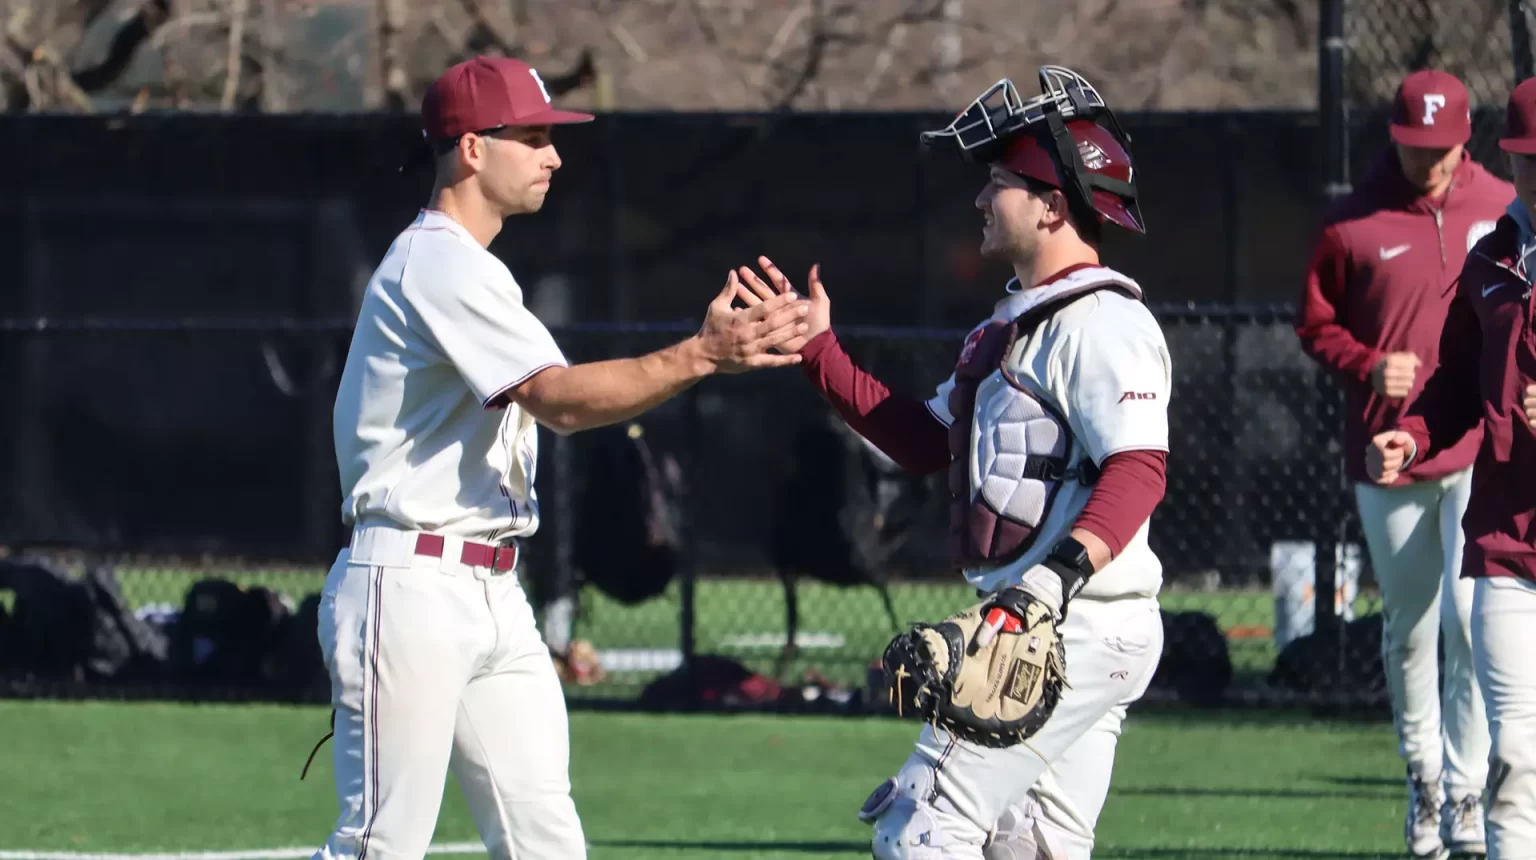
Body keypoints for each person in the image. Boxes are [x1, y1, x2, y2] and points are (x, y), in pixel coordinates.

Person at [313, 55, 811, 860]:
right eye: (535, 136)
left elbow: (565, 393)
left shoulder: (475, 269)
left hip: (489, 589)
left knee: (545, 839)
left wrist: (705, 356)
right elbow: (563, 400)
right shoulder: (435, 262)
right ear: (473, 148)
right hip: (411, 584)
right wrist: (702, 356)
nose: (554, 156)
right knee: (380, 845)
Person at [733, 66, 1170, 860]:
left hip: (1068, 622)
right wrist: (818, 353)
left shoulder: (1103, 320)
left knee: (920, 827)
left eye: (1000, 182)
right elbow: (926, 440)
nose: (979, 198)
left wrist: (1040, 591)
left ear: (1052, 204)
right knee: (1031, 847)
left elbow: (1139, 471)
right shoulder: (1011, 326)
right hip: (1058, 624)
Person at [1296, 68, 1512, 860]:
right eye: (1414, 145)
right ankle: (1422, 783)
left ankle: (1463, 795)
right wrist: (1366, 360)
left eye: (1442, 146)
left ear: (1465, 137)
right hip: (1388, 453)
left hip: (1477, 449)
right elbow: (1313, 323)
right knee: (1412, 627)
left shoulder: (1502, 209)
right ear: (1394, 135)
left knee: (1470, 622)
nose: (1428, 162)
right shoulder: (1352, 218)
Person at [1368, 75, 1536, 860]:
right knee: (1516, 763)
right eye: (1528, 159)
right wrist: (1415, 434)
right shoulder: (1493, 259)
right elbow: (1457, 385)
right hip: (1507, 545)